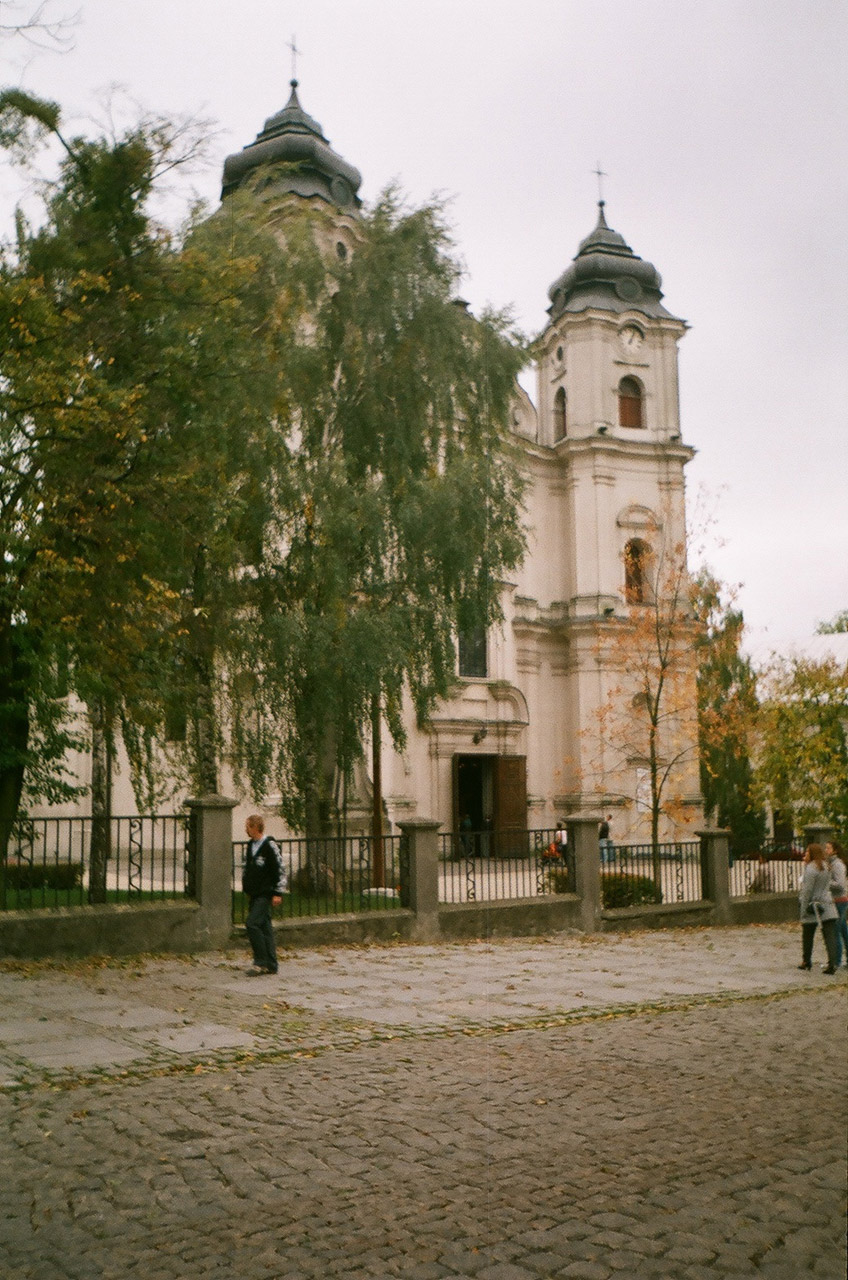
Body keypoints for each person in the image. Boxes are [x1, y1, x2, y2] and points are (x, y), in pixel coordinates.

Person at [242, 814, 283, 976]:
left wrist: (277, 892)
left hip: (265, 893)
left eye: (248, 826)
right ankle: (271, 964)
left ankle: (260, 961)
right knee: (265, 927)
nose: (246, 830)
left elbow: (279, 869)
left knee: (252, 924)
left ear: (256, 827)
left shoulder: (269, 846)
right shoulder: (251, 845)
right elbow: (249, 869)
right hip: (254, 893)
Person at [797, 843, 839, 974]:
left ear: (812, 854)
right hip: (827, 903)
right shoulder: (827, 866)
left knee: (808, 934)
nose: (805, 855)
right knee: (830, 935)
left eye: (807, 853)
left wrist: (803, 909)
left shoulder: (811, 868)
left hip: (813, 906)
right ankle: (832, 963)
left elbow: (807, 890)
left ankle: (806, 961)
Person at [825, 839, 848, 968]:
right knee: (844, 930)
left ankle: (836, 960)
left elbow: (839, 884)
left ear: (835, 850)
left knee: (836, 931)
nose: (826, 851)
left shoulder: (837, 864)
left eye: (828, 848)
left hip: (839, 900)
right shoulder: (831, 863)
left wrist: (826, 882)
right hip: (838, 900)